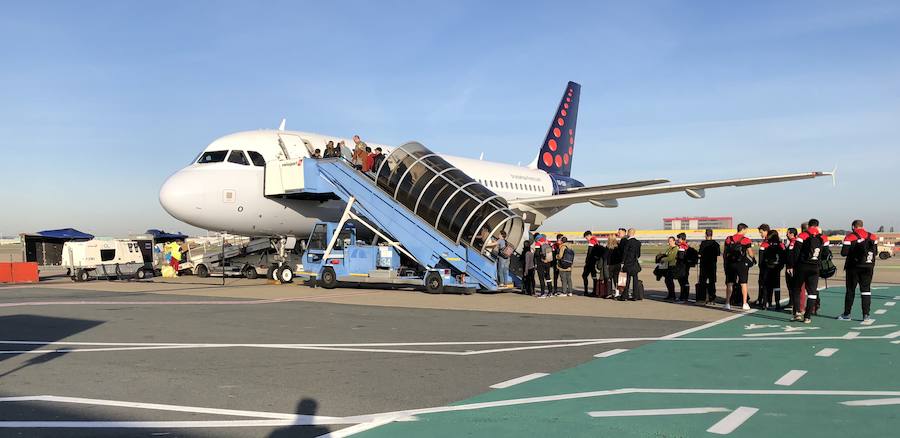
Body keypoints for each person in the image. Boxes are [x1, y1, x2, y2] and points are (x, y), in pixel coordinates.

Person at [790, 218, 830, 323]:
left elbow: (796, 252)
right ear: (817, 226)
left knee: (796, 289)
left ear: (809, 226)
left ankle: (798, 312)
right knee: (812, 292)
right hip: (815, 267)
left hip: (802, 267)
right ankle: (808, 316)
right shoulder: (823, 237)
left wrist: (793, 265)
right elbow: (826, 254)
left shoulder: (802, 235)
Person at [838, 219, 878, 321]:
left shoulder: (850, 236)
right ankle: (866, 315)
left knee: (850, 291)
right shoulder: (873, 236)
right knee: (866, 291)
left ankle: (847, 314)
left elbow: (844, 253)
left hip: (853, 267)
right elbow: (875, 252)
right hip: (868, 267)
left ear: (853, 227)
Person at [723, 223, 754, 311]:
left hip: (730, 263)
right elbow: (750, 253)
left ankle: (727, 303)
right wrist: (753, 259)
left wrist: (726, 262)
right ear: (743, 229)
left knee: (730, 283)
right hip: (741, 264)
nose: (746, 231)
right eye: (746, 230)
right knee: (743, 283)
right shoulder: (746, 240)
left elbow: (725, 252)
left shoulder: (729, 239)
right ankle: (744, 303)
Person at [760, 229, 786, 310]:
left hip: (767, 268)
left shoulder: (764, 244)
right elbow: (783, 257)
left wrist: (762, 268)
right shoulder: (780, 244)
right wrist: (780, 267)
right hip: (776, 268)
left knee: (766, 286)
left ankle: (765, 304)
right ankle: (777, 304)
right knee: (777, 286)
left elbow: (761, 258)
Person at [698, 228, 721, 305]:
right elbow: (718, 254)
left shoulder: (703, 243)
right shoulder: (716, 244)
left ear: (705, 235)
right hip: (712, 265)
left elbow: (700, 253)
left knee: (702, 281)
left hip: (704, 265)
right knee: (712, 282)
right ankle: (712, 298)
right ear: (712, 234)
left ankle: (702, 297)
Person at [620, 228, 642, 301]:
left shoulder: (628, 242)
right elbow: (638, 254)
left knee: (627, 280)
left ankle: (625, 296)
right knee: (635, 280)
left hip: (628, 263)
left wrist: (622, 262)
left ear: (629, 233)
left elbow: (625, 253)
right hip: (634, 263)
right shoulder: (638, 242)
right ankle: (635, 296)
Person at [755, 224, 772, 308]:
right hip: (771, 266)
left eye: (761, 232)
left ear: (766, 231)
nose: (760, 234)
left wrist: (760, 266)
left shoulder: (767, 242)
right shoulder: (769, 240)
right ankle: (761, 299)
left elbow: (762, 257)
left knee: (765, 284)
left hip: (766, 267)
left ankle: (765, 302)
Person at [784, 227, 800, 315]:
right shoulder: (794, 242)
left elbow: (790, 255)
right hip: (794, 267)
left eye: (788, 233)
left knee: (792, 286)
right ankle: (791, 303)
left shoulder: (793, 242)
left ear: (792, 234)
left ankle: (793, 304)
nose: (786, 235)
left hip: (792, 268)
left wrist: (790, 266)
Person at [674, 232, 692, 303]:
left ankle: (684, 297)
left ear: (681, 239)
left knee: (683, 281)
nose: (677, 240)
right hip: (686, 266)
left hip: (682, 266)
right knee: (684, 281)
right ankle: (684, 296)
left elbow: (681, 257)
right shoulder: (686, 245)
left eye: (678, 238)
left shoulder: (682, 246)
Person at [609, 228, 626, 299]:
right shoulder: (618, 244)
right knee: (618, 278)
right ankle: (619, 292)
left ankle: (616, 292)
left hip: (612, 264)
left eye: (619, 233)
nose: (618, 234)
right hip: (618, 263)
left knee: (613, 278)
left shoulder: (608, 247)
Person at [582, 231, 600, 296]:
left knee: (584, 276)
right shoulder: (596, 241)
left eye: (586, 237)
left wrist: (587, 261)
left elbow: (589, 253)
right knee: (594, 276)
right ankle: (595, 291)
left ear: (589, 235)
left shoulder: (591, 241)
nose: (586, 239)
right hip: (594, 261)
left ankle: (586, 291)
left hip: (590, 262)